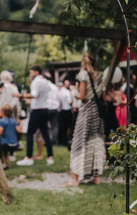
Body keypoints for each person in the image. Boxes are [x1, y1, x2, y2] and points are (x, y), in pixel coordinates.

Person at [63, 52, 105, 185]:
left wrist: (73, 91)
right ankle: (96, 177)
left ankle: (75, 178)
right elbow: (103, 95)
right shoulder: (99, 76)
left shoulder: (83, 75)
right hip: (97, 113)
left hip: (86, 112)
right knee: (96, 142)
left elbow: (82, 96)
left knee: (78, 142)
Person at [16, 65, 54, 166]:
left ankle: (29, 157)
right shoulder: (45, 81)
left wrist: (21, 95)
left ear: (37, 72)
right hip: (45, 110)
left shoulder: (36, 81)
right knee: (45, 133)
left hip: (37, 111)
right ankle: (50, 157)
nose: (30, 74)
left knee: (29, 134)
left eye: (31, 72)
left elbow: (34, 95)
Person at [0, 104, 22, 169]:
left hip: (6, 144)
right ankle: (6, 164)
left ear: (3, 112)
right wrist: (20, 123)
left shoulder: (1, 121)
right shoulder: (13, 121)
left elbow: (0, 132)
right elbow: (19, 130)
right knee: (4, 149)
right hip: (14, 144)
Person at [44, 70, 60, 144]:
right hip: (55, 107)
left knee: (45, 126)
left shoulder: (44, 86)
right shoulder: (54, 87)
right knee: (54, 126)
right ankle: (53, 140)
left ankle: (46, 140)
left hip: (47, 107)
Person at [58, 80, 73, 146]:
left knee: (62, 126)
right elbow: (70, 102)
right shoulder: (67, 92)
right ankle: (66, 140)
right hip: (67, 110)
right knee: (68, 126)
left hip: (61, 110)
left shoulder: (59, 92)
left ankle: (61, 140)